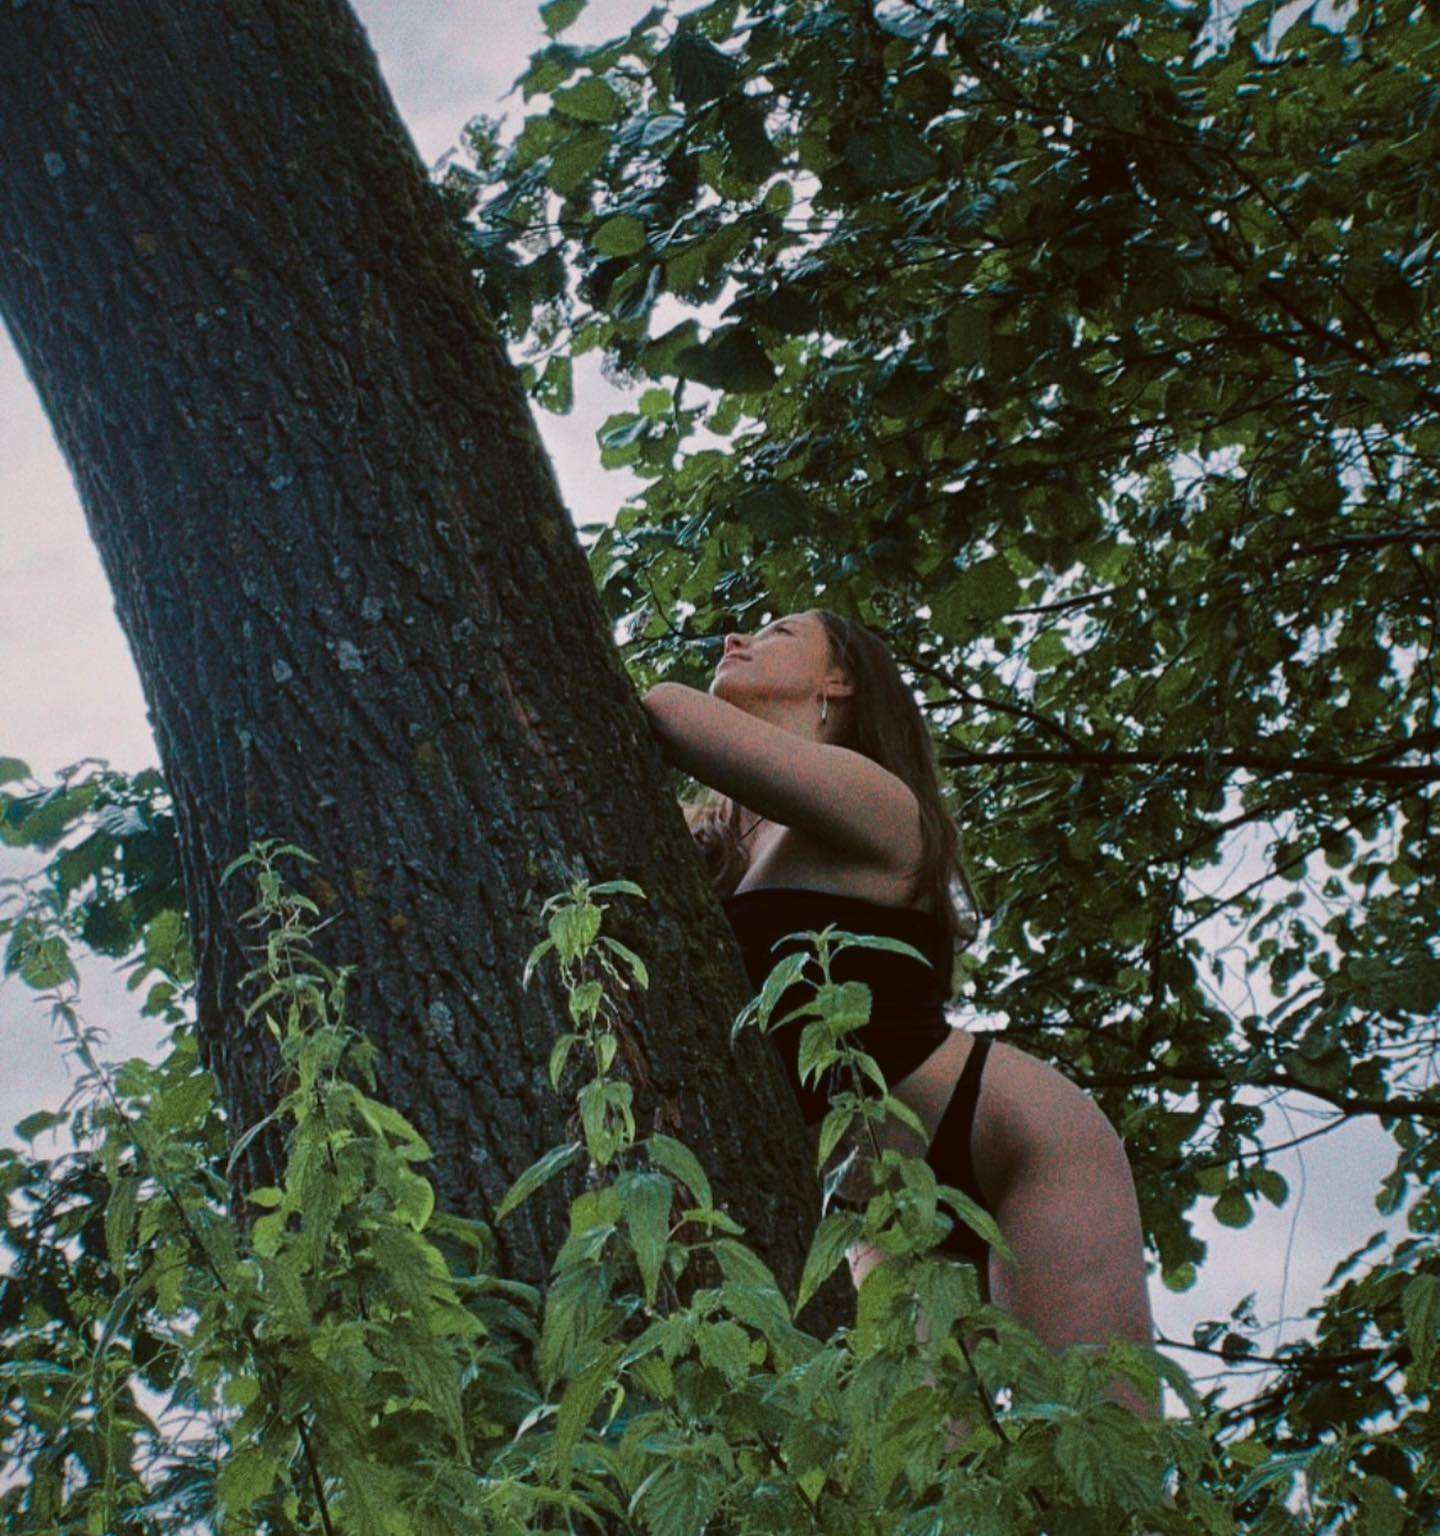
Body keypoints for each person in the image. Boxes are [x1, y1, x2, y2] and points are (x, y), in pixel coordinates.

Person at [641, 607, 1161, 1444]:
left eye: (776, 633)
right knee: (923, 1475)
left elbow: (666, 709)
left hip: (1008, 1138)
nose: (735, 641)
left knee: (1102, 1446)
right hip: (876, 1201)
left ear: (840, 680)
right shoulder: (723, 850)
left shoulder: (879, 799)